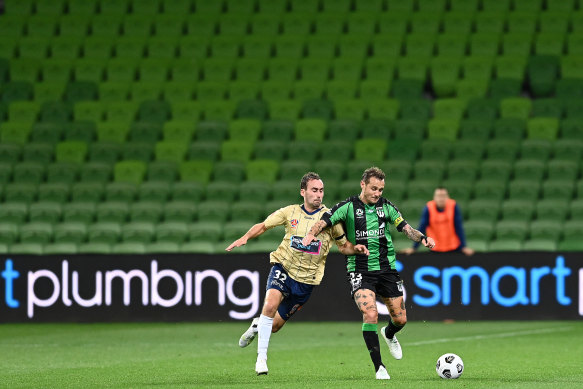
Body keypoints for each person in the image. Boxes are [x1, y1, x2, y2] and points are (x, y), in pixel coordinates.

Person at [226, 172, 369, 376]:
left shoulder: (331, 218)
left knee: (274, 326)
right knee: (269, 304)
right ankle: (261, 359)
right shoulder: (290, 212)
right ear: (303, 192)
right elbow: (264, 225)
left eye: (321, 190)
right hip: (284, 266)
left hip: (307, 280)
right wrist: (245, 237)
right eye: (314, 190)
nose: (318, 194)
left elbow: (343, 246)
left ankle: (257, 325)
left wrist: (356, 249)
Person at [302, 167, 435, 380]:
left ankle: (389, 334)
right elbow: (324, 220)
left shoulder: (387, 207)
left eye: (381, 189)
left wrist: (423, 239)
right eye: (374, 188)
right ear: (362, 185)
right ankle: (379, 367)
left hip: (387, 269)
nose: (377, 193)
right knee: (370, 313)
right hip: (360, 269)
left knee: (400, 320)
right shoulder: (347, 207)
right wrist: (310, 234)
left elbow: (406, 228)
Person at [400, 187, 474, 256]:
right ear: (434, 197)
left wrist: (463, 246)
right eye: (439, 196)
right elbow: (422, 227)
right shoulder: (428, 208)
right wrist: (414, 248)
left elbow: (459, 227)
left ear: (447, 197)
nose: (441, 199)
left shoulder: (453, 206)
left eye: (443, 196)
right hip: (435, 248)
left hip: (453, 248)